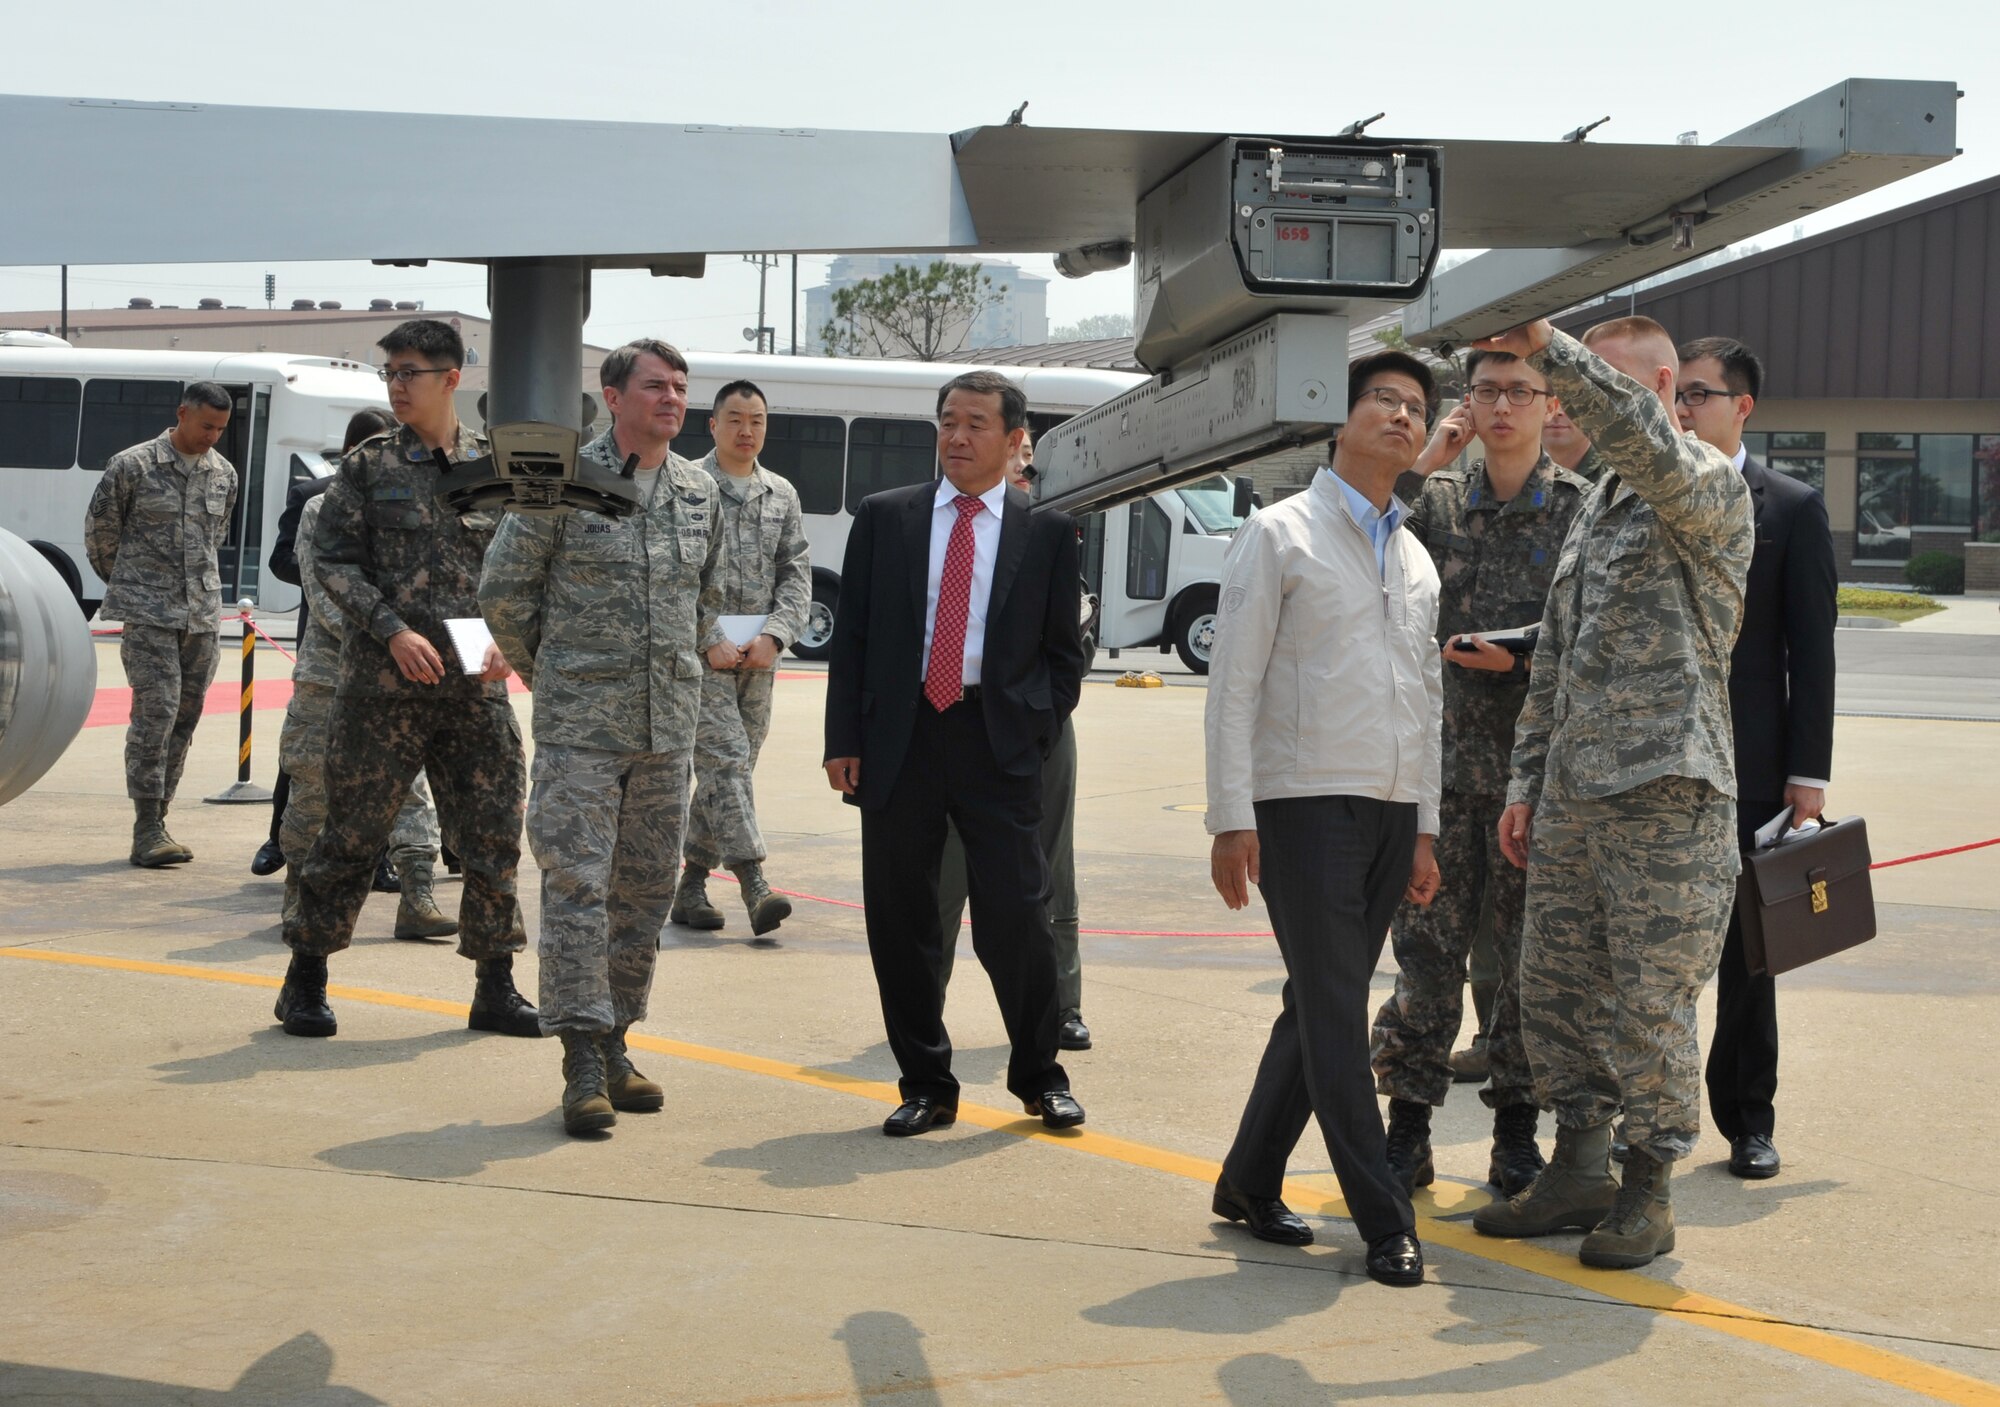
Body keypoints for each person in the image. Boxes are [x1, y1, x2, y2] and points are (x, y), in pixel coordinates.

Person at [1471, 315, 1753, 1270]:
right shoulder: (1599, 505)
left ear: (1665, 387)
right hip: (1575, 795)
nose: (1568, 397)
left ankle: (1648, 1185)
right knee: (1557, 992)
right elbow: (1556, 656)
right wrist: (1526, 779)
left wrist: (1552, 347)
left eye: (1594, 381)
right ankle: (1578, 1165)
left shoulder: (1705, 485)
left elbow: (1634, 426)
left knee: (1650, 1003)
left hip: (1666, 794)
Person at [1206, 350, 1444, 1290]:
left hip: (1389, 810)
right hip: (1301, 805)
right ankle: (1384, 1217)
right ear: (1338, 421)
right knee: (1341, 1013)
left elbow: (1424, 698)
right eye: (1382, 400)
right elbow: (1235, 685)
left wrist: (1422, 825)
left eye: (1416, 408)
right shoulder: (1279, 534)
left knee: (1316, 1004)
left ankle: (1249, 1178)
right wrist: (1232, 815)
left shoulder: (1416, 554)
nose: (1401, 417)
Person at [823, 370, 1089, 1137]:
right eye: (947, 422)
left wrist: (1031, 728)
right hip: (901, 739)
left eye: (976, 424)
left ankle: (1041, 1075)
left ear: (1013, 441)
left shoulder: (1046, 531)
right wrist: (845, 740)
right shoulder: (887, 517)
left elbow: (1061, 656)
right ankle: (926, 1083)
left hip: (995, 742)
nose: (958, 438)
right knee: (902, 917)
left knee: (1017, 917)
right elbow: (857, 637)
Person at [273, 318, 538, 1042]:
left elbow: (516, 569)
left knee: (491, 836)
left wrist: (509, 640)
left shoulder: (494, 467)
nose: (396, 385)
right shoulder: (368, 465)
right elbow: (333, 562)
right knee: (351, 836)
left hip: (472, 688)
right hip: (382, 689)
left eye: (410, 372)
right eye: (389, 372)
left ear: (451, 379)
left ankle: (495, 984)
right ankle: (306, 979)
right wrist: (392, 628)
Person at [1371, 349, 1590, 1199]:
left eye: (1520, 392)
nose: (1504, 407)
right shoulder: (1436, 504)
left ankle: (1513, 1134)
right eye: (1488, 391)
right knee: (1425, 958)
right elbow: (1366, 554)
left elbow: (1589, 633)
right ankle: (1409, 1131)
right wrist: (1428, 458)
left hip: (1528, 783)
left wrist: (1522, 660)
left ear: (1548, 403)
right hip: (1435, 777)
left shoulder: (1576, 510)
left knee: (1527, 972)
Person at [1677, 336, 1836, 1181]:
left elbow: (1811, 652)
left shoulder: (1791, 506)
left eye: (1700, 394)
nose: (1684, 409)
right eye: (1679, 395)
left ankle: (1747, 1119)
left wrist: (1808, 774)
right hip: (1658, 763)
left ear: (1742, 406)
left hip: (1749, 769)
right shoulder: (1645, 497)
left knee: (1749, 956)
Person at [935, 433, 1091, 1052]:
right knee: (942, 873)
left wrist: (1045, 720)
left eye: (1028, 450)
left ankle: (1062, 1003)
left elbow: (1067, 648)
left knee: (1051, 862)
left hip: (1036, 729)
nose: (1024, 461)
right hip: (951, 725)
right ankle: (927, 1001)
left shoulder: (1050, 529)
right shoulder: (939, 526)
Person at [275, 408, 455, 941]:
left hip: (411, 675)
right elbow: (327, 597)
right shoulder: (318, 510)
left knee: (413, 790)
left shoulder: (429, 505)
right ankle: (297, 896)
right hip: (332, 677)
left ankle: (418, 896)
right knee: (312, 790)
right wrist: (394, 636)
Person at [672, 380, 812, 939]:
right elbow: (675, 576)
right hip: (699, 657)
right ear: (713, 424)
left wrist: (776, 637)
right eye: (734, 419)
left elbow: (795, 572)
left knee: (731, 771)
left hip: (758, 659)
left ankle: (690, 886)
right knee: (726, 761)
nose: (746, 430)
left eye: (756, 420)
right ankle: (754, 882)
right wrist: (708, 635)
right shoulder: (684, 486)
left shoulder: (781, 493)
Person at [84, 382, 238, 868]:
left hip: (202, 615)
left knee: (185, 719)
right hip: (149, 614)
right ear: (182, 414)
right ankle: (146, 825)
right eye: (206, 425)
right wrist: (135, 585)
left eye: (220, 429)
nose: (212, 436)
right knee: (157, 712)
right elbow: (100, 536)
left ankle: (162, 817)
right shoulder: (132, 465)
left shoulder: (223, 475)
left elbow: (217, 537)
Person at [1539, 403, 1603, 481]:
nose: (1557, 413)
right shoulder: (1521, 474)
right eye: (1548, 402)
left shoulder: (1617, 474)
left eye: (1568, 402)